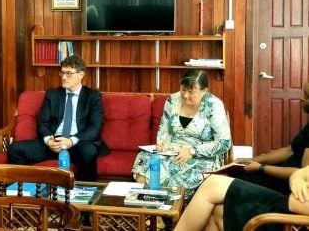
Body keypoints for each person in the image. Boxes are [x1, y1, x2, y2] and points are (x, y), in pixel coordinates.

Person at [131, 70, 231, 199]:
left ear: (204, 91)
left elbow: (224, 142)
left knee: (177, 168)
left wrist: (192, 151)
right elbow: (164, 128)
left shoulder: (213, 105)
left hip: (201, 155)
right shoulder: (172, 100)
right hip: (172, 150)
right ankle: (151, 205)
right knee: (145, 158)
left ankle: (171, 208)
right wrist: (162, 142)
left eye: (191, 92)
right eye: (183, 90)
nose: (185, 95)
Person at [7, 55, 108, 181]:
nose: (64, 77)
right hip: (54, 143)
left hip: (79, 143)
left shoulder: (92, 96)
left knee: (88, 152)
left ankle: (84, 193)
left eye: (69, 73)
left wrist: (71, 141)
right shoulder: (52, 94)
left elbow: (94, 128)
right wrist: (48, 140)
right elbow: (42, 123)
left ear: (81, 74)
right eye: (62, 73)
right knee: (15, 149)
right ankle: (27, 189)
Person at [228, 81, 309, 195]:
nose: (302, 98)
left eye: (306, 95)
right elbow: (290, 150)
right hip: (279, 173)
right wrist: (253, 159)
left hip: (288, 184)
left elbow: (303, 174)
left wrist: (261, 168)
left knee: (232, 184)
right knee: (234, 174)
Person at [174, 165, 309, 231]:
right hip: (282, 207)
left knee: (212, 186)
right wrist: (298, 180)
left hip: (288, 222)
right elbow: (302, 172)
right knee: (215, 209)